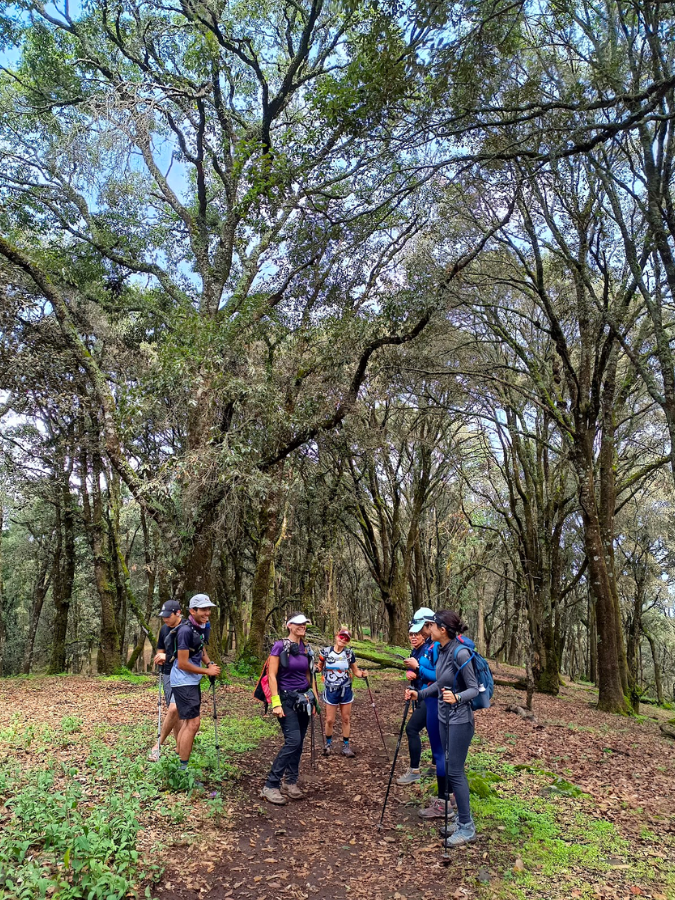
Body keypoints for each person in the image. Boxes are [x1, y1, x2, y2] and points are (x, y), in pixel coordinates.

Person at [406, 609, 479, 847]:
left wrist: (457, 698)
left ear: (443, 630)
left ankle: (467, 827)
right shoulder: (443, 650)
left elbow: (473, 688)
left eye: (433, 626)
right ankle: (461, 821)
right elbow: (439, 683)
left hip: (460, 720)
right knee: (451, 768)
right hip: (445, 717)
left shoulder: (460, 652)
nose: (429, 629)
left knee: (455, 772)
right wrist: (420, 692)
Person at [260, 612, 316, 805]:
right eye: (299, 624)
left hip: (303, 698)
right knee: (293, 740)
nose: (303, 626)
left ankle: (290, 782)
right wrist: (275, 702)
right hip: (285, 697)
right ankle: (271, 784)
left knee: (299, 743)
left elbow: (310, 676)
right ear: (289, 626)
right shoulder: (279, 646)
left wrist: (314, 699)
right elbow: (272, 675)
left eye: (304, 624)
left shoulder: (306, 648)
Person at [170, 593, 221, 775]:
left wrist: (208, 663)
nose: (207, 613)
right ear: (192, 610)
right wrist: (207, 671)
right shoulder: (184, 631)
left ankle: (180, 761)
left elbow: (201, 646)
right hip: (183, 681)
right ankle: (183, 770)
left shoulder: (201, 626)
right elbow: (182, 663)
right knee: (193, 724)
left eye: (209, 609)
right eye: (203, 609)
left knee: (189, 722)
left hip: (191, 680)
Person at [396, 609, 433, 784]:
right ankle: (434, 766)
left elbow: (434, 675)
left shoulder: (429, 649)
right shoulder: (415, 651)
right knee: (432, 731)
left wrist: (416, 671)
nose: (413, 637)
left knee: (412, 729)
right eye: (411, 634)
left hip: (430, 696)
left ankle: (415, 770)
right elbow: (415, 672)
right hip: (419, 695)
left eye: (417, 634)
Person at [317, 628, 367, 758]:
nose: (343, 640)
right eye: (341, 636)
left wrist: (362, 674)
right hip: (330, 690)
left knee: (346, 718)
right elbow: (319, 667)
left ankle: (346, 746)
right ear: (336, 636)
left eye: (346, 638)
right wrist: (312, 668)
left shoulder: (349, 654)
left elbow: (355, 671)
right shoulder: (325, 652)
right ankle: (328, 745)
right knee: (329, 720)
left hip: (346, 689)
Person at [147, 599, 183, 761]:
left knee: (174, 710)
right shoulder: (164, 629)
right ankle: (180, 746)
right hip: (168, 674)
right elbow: (160, 651)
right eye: (164, 617)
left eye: (168, 616)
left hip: (183, 675)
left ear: (178, 613)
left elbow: (188, 656)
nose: (165, 619)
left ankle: (157, 745)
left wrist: (167, 657)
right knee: (174, 712)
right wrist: (160, 658)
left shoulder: (186, 630)